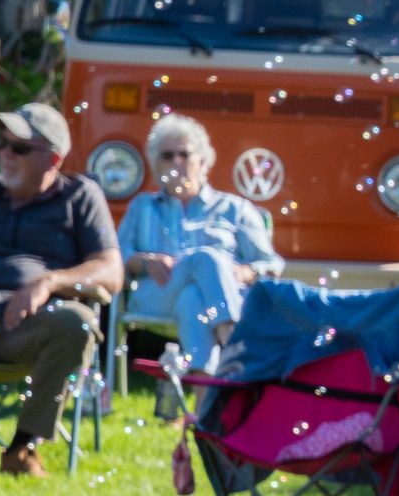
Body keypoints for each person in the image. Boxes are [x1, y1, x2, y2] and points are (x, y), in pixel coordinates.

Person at [0, 103, 124, 476]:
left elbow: (111, 272)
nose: (6, 154)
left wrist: (49, 281)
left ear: (53, 159)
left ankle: (22, 448)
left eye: (19, 148)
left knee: (76, 321)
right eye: (2, 143)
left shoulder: (79, 196)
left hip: (28, 327)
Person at [116, 114, 283, 375]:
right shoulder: (142, 206)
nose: (176, 162)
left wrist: (245, 272)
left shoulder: (235, 208)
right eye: (167, 156)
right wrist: (145, 262)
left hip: (215, 297)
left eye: (184, 154)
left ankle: (204, 396)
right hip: (160, 291)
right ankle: (232, 339)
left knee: (192, 298)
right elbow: (116, 255)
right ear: (156, 164)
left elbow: (271, 264)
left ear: (202, 160)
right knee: (206, 258)